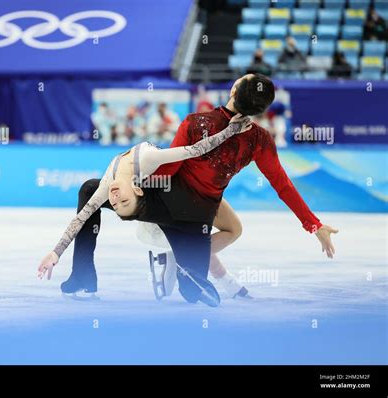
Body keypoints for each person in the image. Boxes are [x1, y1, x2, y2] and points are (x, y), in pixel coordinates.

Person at [40, 74, 338, 305]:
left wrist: (135, 185)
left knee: (91, 190)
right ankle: (180, 259)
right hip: (200, 216)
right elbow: (282, 184)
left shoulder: (198, 121)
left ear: (234, 91)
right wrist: (313, 225)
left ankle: (84, 276)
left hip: (168, 200)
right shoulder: (260, 140)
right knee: (194, 291)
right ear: (261, 110)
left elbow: (169, 169)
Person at [38, 113, 253, 305]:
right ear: (137, 189)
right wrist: (56, 252)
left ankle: (179, 262)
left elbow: (194, 150)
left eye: (117, 203)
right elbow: (196, 150)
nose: (114, 199)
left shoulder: (137, 166)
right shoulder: (130, 182)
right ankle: (83, 276)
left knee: (88, 189)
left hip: (179, 211)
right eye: (118, 203)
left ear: (138, 189)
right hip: (168, 218)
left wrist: (232, 129)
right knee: (192, 291)